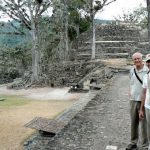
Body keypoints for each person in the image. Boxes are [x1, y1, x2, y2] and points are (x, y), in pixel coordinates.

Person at [126, 52, 148, 150]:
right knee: (133, 122)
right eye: (135, 59)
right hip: (133, 100)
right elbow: (131, 82)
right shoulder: (131, 71)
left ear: (142, 59)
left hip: (143, 100)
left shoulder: (147, 71)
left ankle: (144, 145)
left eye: (139, 58)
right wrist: (130, 91)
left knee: (144, 124)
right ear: (133, 60)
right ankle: (133, 142)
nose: (137, 60)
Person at [139, 54, 150, 150]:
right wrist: (141, 109)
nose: (149, 63)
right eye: (148, 61)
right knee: (149, 127)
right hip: (148, 106)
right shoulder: (146, 76)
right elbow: (143, 93)